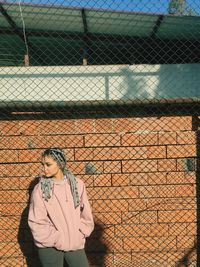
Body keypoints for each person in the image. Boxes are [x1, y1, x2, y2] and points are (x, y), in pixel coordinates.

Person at [28, 148, 94, 267]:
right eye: (42, 164)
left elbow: (86, 213)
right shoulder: (40, 189)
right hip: (49, 244)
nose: (44, 168)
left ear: (59, 163)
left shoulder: (77, 185)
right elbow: (36, 221)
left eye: (48, 164)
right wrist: (57, 239)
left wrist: (80, 233)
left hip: (74, 241)